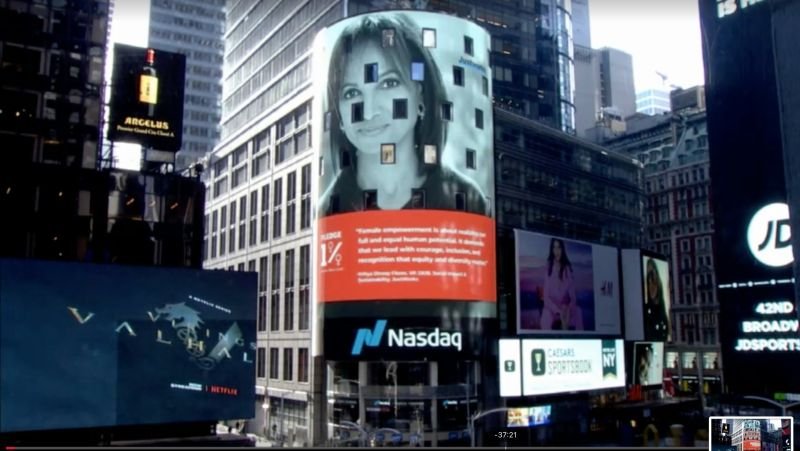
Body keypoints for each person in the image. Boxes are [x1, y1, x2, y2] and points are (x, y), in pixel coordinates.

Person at [318, 13, 489, 217]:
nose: (369, 112)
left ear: (420, 94)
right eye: (351, 93)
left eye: (388, 83)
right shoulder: (328, 209)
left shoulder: (467, 198)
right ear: (339, 113)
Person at [539, 238, 583, 330]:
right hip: (553, 309)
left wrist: (568, 309)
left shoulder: (567, 269)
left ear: (562, 249)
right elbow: (546, 298)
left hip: (566, 309)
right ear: (552, 250)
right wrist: (558, 311)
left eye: (559, 247)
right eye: (554, 248)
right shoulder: (548, 268)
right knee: (545, 316)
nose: (557, 251)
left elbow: (573, 297)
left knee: (578, 311)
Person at [643, 257, 670, 341]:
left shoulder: (663, 312)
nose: (651, 285)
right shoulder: (645, 311)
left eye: (653, 277)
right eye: (649, 279)